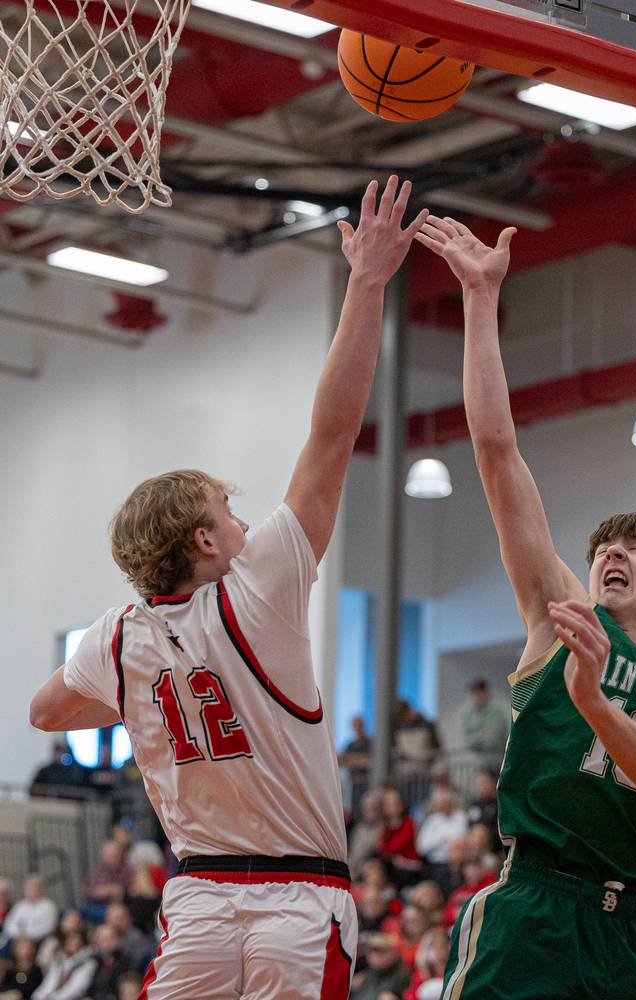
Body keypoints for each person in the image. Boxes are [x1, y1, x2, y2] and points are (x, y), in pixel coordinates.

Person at [29, 176, 429, 1000]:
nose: (246, 522)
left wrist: (141, 704)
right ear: (206, 542)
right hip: (299, 892)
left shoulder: (119, 636)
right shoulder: (260, 584)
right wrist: (366, 282)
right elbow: (333, 433)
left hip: (201, 895)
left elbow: (45, 713)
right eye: (229, 513)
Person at [415, 215, 636, 1000]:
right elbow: (497, 453)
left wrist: (593, 700)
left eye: (635, 548)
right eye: (602, 550)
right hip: (536, 907)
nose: (611, 555)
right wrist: (479, 299)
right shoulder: (559, 617)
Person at [462, 679, 509, 768]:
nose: (476, 696)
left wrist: (477, 738)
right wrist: (481, 736)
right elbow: (468, 741)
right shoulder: (469, 714)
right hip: (480, 760)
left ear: (485, 692)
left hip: (497, 759)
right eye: (474, 693)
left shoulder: (495, 711)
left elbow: (493, 739)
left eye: (479, 692)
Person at [3, 878, 58, 945]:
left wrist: (28, 936)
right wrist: (19, 936)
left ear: (41, 890)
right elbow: (9, 925)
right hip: (17, 940)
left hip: (39, 941)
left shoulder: (48, 906)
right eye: (29, 888)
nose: (31, 891)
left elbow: (48, 927)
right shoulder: (20, 905)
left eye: (34, 888)